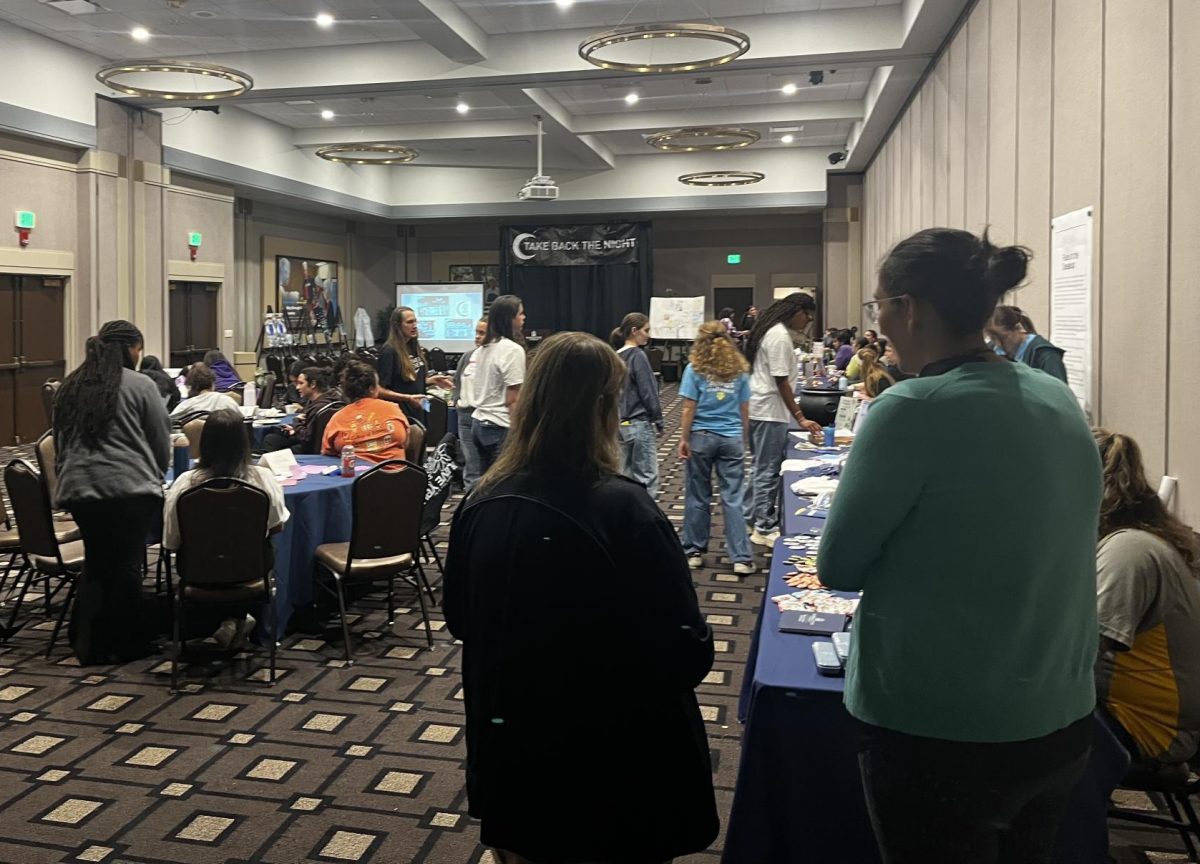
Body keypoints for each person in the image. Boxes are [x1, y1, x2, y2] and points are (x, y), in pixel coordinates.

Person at [820, 228, 1102, 864]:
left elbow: (838, 565)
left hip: (943, 728)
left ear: (909, 308)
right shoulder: (1055, 396)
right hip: (1060, 715)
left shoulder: (913, 408)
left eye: (879, 307)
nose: (879, 325)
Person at [444, 332, 718, 864]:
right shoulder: (626, 510)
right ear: (603, 409)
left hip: (514, 754)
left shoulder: (480, 503)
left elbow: (460, 620)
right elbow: (686, 650)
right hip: (615, 767)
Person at [52, 320, 171, 665]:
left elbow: (59, 442)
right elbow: (159, 439)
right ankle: (127, 643)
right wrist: (156, 475)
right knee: (127, 566)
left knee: (99, 562)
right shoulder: (141, 384)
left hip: (79, 489)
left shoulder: (70, 386)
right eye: (139, 349)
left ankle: (88, 641)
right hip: (129, 489)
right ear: (131, 348)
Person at [1092, 427, 1200, 767]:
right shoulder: (1138, 541)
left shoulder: (1129, 551)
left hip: (1146, 727)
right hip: (1141, 717)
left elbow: (1081, 652)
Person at [162, 408, 290, 648]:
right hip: (253, 568)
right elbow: (276, 527)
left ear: (204, 442)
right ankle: (239, 618)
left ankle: (227, 621)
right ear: (244, 441)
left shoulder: (183, 484)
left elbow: (171, 541)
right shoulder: (263, 478)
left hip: (198, 571)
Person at [742, 293, 822, 546]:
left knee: (760, 467)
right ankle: (764, 528)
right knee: (767, 470)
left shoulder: (772, 331)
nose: (808, 320)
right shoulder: (778, 336)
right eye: (807, 315)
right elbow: (781, 381)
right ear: (795, 310)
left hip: (763, 409)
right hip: (770, 411)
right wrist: (800, 417)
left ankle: (749, 517)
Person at [678, 322, 754, 575]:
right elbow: (744, 409)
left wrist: (684, 439)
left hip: (701, 437)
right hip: (731, 438)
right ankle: (741, 558)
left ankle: (694, 551)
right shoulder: (740, 371)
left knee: (698, 495)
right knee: (733, 498)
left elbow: (689, 407)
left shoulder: (695, 369)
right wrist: (743, 438)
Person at [471, 295, 527, 473]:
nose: (524, 317)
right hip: (500, 426)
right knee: (504, 483)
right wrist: (522, 432)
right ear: (509, 318)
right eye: (520, 313)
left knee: (485, 485)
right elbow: (513, 399)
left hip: (479, 424)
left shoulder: (482, 350)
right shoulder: (512, 350)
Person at [610, 312, 663, 500]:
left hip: (618, 424)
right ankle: (646, 522)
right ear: (634, 331)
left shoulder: (614, 357)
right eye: (646, 330)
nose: (648, 335)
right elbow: (648, 391)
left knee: (622, 476)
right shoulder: (638, 355)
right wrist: (658, 419)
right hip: (639, 423)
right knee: (646, 477)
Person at [377, 306, 454, 424]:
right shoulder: (389, 351)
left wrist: (431, 380)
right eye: (409, 322)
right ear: (397, 325)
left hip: (419, 410)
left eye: (415, 321)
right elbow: (380, 390)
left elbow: (410, 381)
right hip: (401, 415)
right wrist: (407, 398)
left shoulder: (413, 347)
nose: (414, 325)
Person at [322, 360, 410, 463]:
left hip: (355, 477)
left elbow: (327, 456)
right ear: (372, 388)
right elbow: (405, 443)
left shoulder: (336, 419)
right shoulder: (393, 409)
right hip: (398, 476)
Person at [262, 366, 341, 453]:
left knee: (271, 440)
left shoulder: (318, 407)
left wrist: (296, 424)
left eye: (301, 383)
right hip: (316, 444)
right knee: (274, 437)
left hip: (311, 448)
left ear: (313, 384)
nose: (297, 387)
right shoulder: (330, 400)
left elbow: (306, 437)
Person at [987, 305, 1068, 384]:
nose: (998, 344)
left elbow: (1059, 393)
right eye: (993, 338)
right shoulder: (990, 349)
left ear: (1017, 328)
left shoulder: (1046, 355)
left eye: (1004, 337)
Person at [452, 319, 489, 491]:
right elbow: (457, 380)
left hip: (484, 416)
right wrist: (457, 401)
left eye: (482, 333)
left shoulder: (496, 358)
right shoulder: (468, 356)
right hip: (465, 415)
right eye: (476, 332)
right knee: (471, 466)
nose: (477, 337)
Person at [170, 364, 240, 420]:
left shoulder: (185, 406)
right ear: (213, 383)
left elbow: (170, 423)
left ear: (191, 386)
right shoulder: (228, 401)